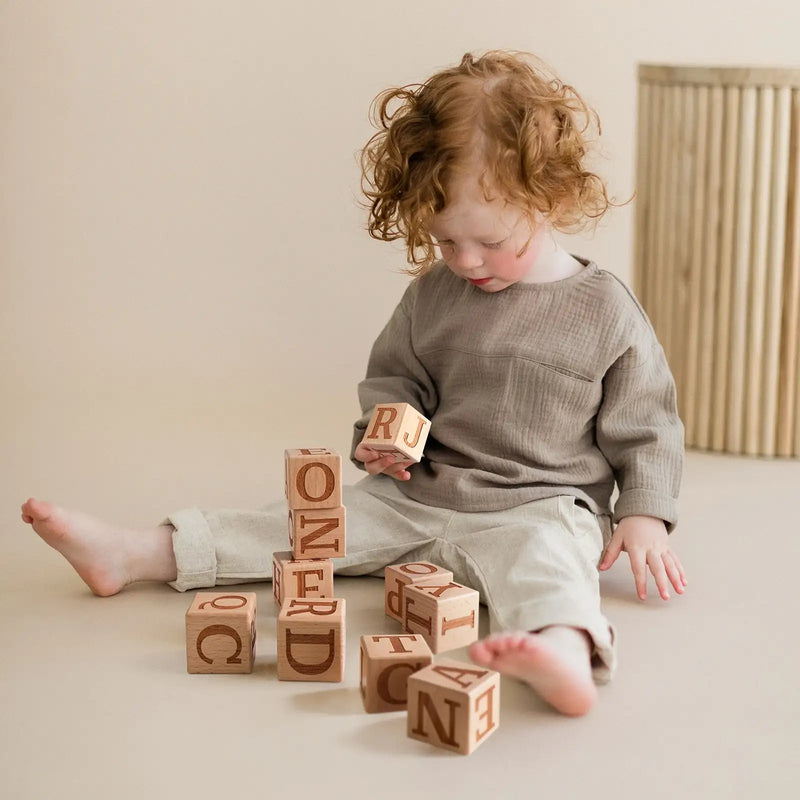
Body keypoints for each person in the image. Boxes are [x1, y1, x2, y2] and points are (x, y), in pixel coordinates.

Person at [21, 50, 686, 717]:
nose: (465, 260)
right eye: (444, 241)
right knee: (298, 526)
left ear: (552, 198)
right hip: (417, 493)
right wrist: (384, 435)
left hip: (537, 504)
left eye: (485, 240)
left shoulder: (604, 310)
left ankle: (562, 651)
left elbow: (649, 421)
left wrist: (645, 514)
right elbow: (397, 379)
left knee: (551, 563)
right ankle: (136, 553)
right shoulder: (437, 295)